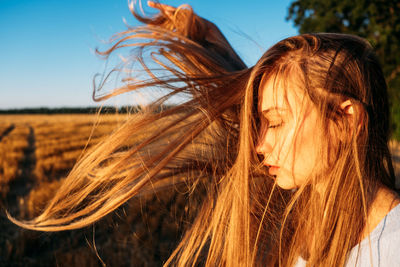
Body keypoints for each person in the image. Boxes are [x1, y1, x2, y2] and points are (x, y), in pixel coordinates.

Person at [9, 1, 400, 266]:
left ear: (347, 120)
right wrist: (213, 47)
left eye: (276, 123)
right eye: (260, 124)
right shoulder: (310, 213)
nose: (260, 144)